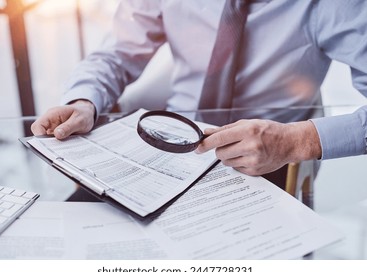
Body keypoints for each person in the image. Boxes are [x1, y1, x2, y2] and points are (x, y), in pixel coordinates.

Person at [31, 0, 367, 186]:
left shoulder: (339, 6)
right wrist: (84, 100)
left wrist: (296, 142)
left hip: (269, 160)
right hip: (169, 143)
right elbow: (116, 54)